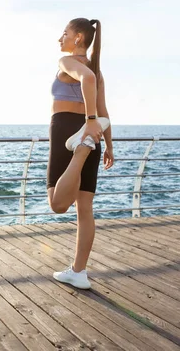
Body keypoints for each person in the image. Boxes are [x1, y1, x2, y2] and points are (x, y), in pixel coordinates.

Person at [47, 18, 114, 289]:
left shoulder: (68, 63)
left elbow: (84, 80)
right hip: (92, 132)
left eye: (64, 33)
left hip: (69, 130)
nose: (59, 39)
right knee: (84, 208)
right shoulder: (96, 69)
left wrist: (88, 121)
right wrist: (107, 143)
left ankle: (80, 152)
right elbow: (104, 111)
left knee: (57, 204)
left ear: (78, 38)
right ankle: (79, 272)